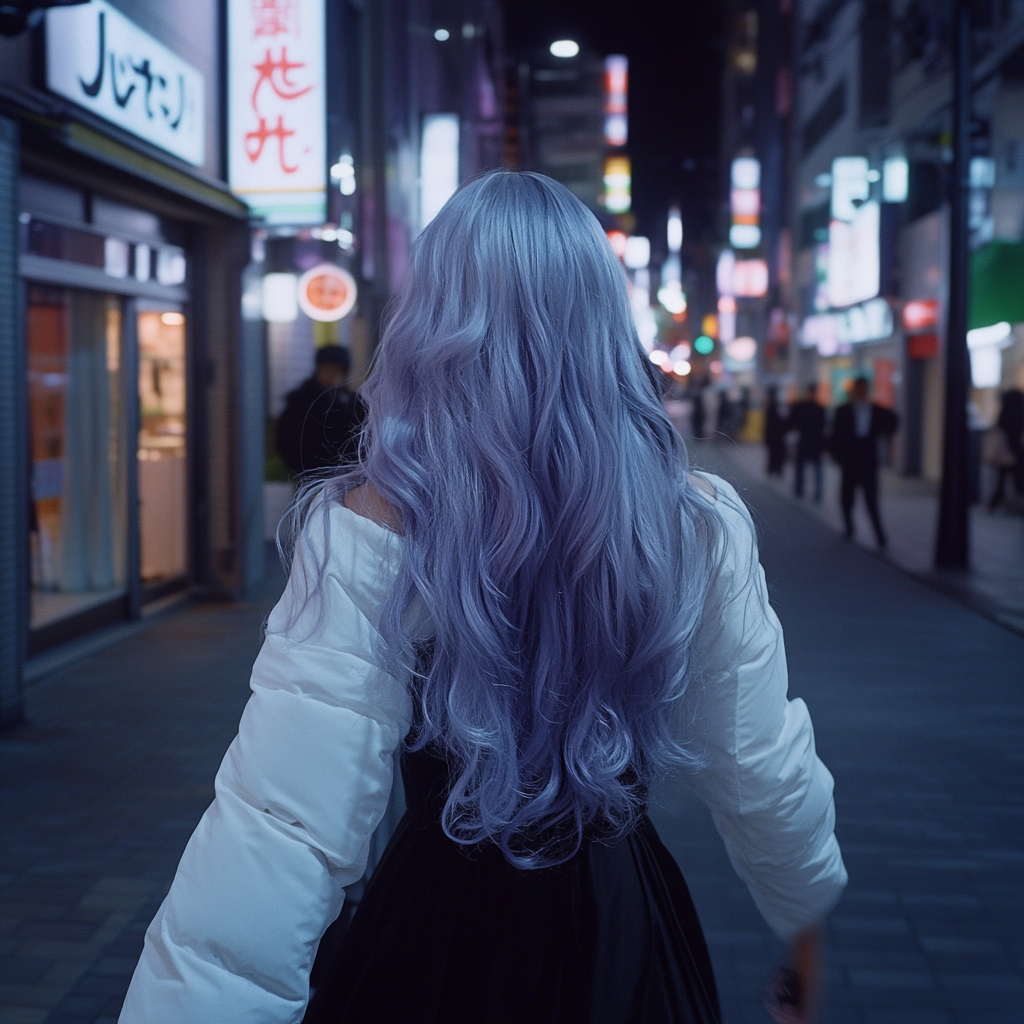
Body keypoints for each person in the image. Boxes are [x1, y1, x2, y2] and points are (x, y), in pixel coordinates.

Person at [119, 172, 846, 1024]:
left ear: (432, 321)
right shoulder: (693, 523)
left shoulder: (373, 523)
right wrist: (807, 926)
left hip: (435, 934)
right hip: (624, 930)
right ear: (604, 321)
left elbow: (280, 826)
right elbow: (761, 766)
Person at [829, 376, 899, 547]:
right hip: (850, 459)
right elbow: (834, 435)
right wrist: (838, 456)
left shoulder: (875, 410)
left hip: (868, 460)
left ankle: (879, 534)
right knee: (846, 498)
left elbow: (893, 421)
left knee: (871, 499)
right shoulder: (843, 411)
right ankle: (849, 528)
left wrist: (885, 437)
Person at [275, 344, 364, 476]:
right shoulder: (302, 400)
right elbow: (286, 438)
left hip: (347, 473)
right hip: (311, 474)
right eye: (326, 369)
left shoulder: (352, 402)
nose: (331, 375)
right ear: (318, 370)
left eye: (336, 370)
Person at [986, 389, 1023, 511]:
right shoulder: (1018, 414)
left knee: (1002, 481)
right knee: (1015, 480)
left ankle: (994, 503)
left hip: (1005, 453)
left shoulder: (1005, 413)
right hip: (1013, 452)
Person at [788, 383, 826, 502]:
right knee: (815, 468)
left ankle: (800, 489)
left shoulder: (801, 406)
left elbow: (793, 422)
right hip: (814, 441)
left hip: (805, 440)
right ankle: (816, 493)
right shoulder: (819, 408)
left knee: (803, 467)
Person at [764, 386, 788, 477]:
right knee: (776, 453)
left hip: (776, 434)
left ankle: (774, 469)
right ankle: (775, 469)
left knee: (775, 453)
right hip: (778, 434)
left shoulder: (774, 406)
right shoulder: (776, 406)